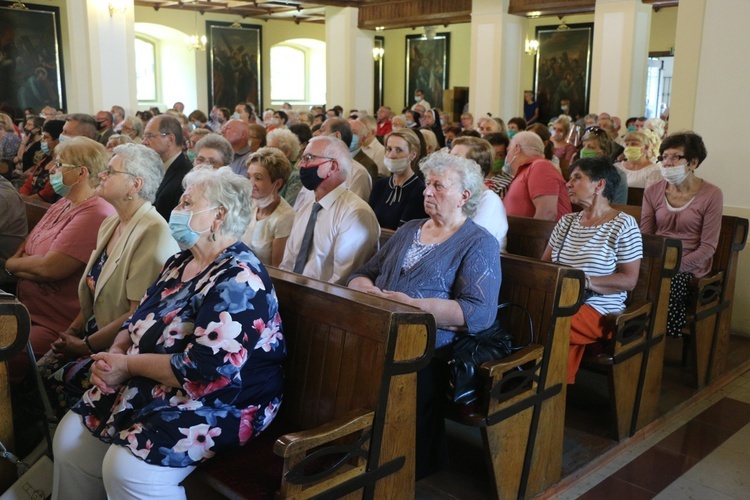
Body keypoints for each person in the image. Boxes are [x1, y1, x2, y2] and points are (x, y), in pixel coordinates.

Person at [52, 167, 285, 499]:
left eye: (188, 203)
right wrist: (117, 353)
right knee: (70, 442)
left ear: (219, 215)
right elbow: (138, 319)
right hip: (152, 377)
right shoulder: (180, 262)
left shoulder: (240, 281)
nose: (176, 210)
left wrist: (128, 366)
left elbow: (205, 373)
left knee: (127, 470)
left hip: (222, 398)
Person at [348, 151, 501, 480]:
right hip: (381, 329)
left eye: (438, 186)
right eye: (427, 184)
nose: (427, 192)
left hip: (432, 349)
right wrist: (365, 288)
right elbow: (364, 271)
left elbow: (479, 312)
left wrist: (412, 305)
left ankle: (398, 464)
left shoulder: (478, 242)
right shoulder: (410, 229)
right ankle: (354, 456)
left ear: (464, 196)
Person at [38, 143, 179, 414]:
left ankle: (64, 443)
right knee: (39, 369)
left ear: (135, 184)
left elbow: (136, 314)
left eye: (110, 172)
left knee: (55, 377)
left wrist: (84, 345)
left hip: (121, 347)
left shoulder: (153, 232)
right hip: (93, 332)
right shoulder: (112, 222)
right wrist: (71, 332)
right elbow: (94, 292)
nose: (101, 175)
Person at [5, 137, 115, 380]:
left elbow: (48, 268)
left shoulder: (96, 212)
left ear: (81, 173)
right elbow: (26, 247)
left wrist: (14, 266)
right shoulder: (63, 204)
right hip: (25, 308)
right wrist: (22, 265)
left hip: (55, 323)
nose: (50, 170)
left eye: (59, 165)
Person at [542, 157, 642, 384]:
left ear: (600, 185)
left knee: (549, 321)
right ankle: (547, 392)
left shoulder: (623, 224)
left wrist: (583, 281)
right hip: (563, 300)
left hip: (599, 308)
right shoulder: (567, 221)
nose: (568, 184)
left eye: (577, 178)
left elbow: (629, 280)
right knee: (535, 315)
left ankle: (544, 392)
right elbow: (545, 266)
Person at [641, 132, 723, 337]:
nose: (667, 163)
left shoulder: (712, 194)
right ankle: (635, 338)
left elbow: (708, 247)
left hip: (692, 265)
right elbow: (646, 235)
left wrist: (673, 266)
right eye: (664, 157)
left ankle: (659, 337)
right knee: (631, 278)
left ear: (693, 162)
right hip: (658, 260)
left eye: (675, 157)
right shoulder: (653, 191)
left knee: (670, 282)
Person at [280, 136, 379, 285]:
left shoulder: (355, 213)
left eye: (309, 158)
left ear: (332, 167)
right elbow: (288, 264)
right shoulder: (307, 208)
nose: (301, 164)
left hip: (325, 302)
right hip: (294, 296)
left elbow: (343, 280)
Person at [449, 136, 508, 249]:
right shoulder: (454, 193)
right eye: (449, 156)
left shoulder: (490, 201)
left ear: (475, 167)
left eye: (455, 158)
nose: (446, 163)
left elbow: (471, 244)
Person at [241, 147, 295, 266]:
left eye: (258, 178)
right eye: (249, 177)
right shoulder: (252, 203)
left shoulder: (285, 217)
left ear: (278, 183)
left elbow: (277, 270)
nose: (250, 183)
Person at [503, 131, 571, 221]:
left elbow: (548, 213)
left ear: (517, 148)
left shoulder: (540, 166)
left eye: (508, 150)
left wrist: (528, 235)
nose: (506, 156)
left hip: (534, 234)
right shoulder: (527, 169)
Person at [369, 128, 427, 230]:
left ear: (412, 155)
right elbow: (367, 221)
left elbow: (402, 233)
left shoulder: (419, 190)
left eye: (399, 150)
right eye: (389, 149)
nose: (392, 155)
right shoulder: (380, 185)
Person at [578, 126, 628, 204]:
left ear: (604, 152)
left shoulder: (618, 175)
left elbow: (619, 207)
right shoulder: (577, 171)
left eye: (590, 147)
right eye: (584, 146)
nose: (584, 150)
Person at [19, 119, 64, 203]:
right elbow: (29, 182)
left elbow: (47, 194)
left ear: (58, 141)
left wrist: (25, 201)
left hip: (43, 207)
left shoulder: (62, 164)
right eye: (42, 136)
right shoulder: (45, 159)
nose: (42, 140)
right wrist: (22, 197)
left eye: (46, 137)